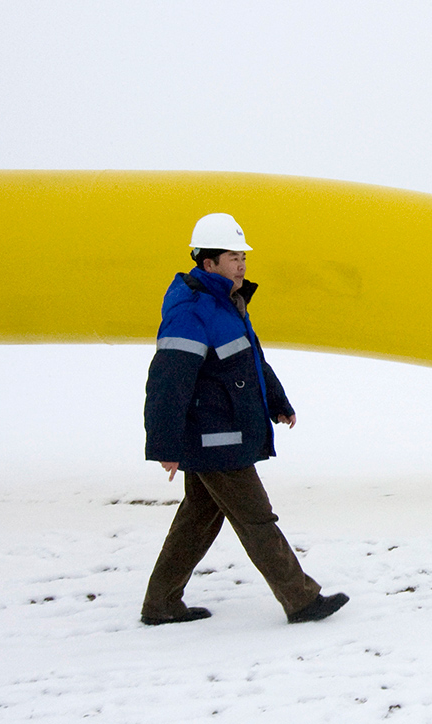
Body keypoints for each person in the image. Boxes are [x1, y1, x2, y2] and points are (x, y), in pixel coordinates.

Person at [140, 212, 348, 626]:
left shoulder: (227, 303)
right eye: (233, 257)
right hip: (215, 437)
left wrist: (277, 401)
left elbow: (249, 363)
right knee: (256, 518)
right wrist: (164, 445)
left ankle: (161, 604)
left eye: (243, 257)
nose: (241, 265)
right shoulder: (192, 311)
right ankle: (301, 599)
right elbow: (168, 381)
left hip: (223, 434)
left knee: (196, 522)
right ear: (208, 263)